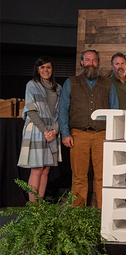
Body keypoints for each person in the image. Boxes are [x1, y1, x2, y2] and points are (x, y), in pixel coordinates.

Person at [59, 50, 119, 208]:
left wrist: (112, 136)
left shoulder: (108, 84)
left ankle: (103, 214)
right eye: (87, 60)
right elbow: (63, 109)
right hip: (78, 135)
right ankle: (79, 217)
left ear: (98, 63)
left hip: (102, 135)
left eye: (94, 61)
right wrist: (65, 133)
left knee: (103, 176)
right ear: (81, 62)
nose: (91, 63)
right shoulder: (70, 82)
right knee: (79, 177)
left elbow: (115, 110)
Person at [18, 56, 62, 202]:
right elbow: (30, 111)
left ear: (52, 69)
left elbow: (61, 113)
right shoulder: (32, 85)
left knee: (46, 169)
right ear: (37, 69)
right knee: (36, 169)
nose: (45, 70)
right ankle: (33, 207)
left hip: (52, 132)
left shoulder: (58, 88)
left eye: (48, 67)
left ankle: (40, 205)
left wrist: (54, 131)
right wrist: (45, 131)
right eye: (42, 67)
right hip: (37, 130)